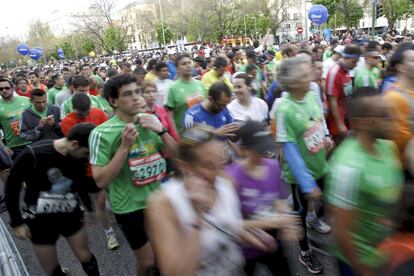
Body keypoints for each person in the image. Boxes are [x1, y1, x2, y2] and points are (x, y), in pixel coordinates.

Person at [146, 124, 287, 275]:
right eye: (209, 166)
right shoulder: (164, 202)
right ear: (185, 167)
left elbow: (226, 225)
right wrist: (198, 217)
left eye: (221, 161)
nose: (220, 173)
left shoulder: (225, 183)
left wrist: (252, 236)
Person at [89, 74, 177, 275]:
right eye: (128, 94)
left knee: (166, 257)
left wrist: (162, 131)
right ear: (113, 101)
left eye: (138, 92)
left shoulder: (152, 122)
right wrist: (124, 147)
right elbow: (100, 180)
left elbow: (179, 158)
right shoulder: (101, 133)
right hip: (129, 208)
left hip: (157, 202)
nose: (137, 98)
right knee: (147, 262)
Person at [326, 87, 403, 276]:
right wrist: (361, 268)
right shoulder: (348, 168)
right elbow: (341, 232)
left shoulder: (386, 145)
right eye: (385, 114)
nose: (393, 118)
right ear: (363, 122)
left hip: (386, 253)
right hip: (359, 263)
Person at [5, 123, 100, 276]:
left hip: (69, 213)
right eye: (86, 153)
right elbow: (12, 188)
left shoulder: (78, 157)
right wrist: (17, 223)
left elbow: (81, 183)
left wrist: (89, 208)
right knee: (51, 269)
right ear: (74, 144)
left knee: (85, 256)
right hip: (40, 220)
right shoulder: (33, 154)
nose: (87, 157)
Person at [275, 56, 333, 274]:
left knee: (326, 201)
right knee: (299, 213)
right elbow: (289, 149)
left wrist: (325, 137)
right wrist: (307, 183)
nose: (310, 73)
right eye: (304, 73)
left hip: (321, 166)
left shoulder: (310, 94)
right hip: (301, 177)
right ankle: (305, 251)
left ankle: (314, 218)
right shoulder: (284, 109)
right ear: (292, 81)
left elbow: (318, 120)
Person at [225, 120, 298, 275]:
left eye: (264, 149)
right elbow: (229, 223)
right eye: (257, 150)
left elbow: (278, 200)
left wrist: (287, 220)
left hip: (272, 242)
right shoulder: (231, 178)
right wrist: (271, 222)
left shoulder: (272, 166)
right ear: (243, 150)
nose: (263, 155)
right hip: (244, 248)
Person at [61, 93, 119, 251]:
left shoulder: (98, 113)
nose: (86, 115)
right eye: (82, 113)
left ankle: (119, 214)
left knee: (116, 194)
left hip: (109, 163)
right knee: (99, 201)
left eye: (88, 111)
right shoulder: (67, 122)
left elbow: (111, 134)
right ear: (73, 109)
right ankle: (109, 233)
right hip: (87, 169)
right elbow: (78, 148)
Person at [383, 43, 414, 178]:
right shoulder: (394, 98)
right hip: (402, 171)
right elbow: (395, 144)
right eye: (413, 60)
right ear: (400, 67)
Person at [325, 45, 361, 144]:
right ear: (345, 58)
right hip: (336, 119)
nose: (356, 65)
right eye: (354, 62)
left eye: (357, 62)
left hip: (346, 115)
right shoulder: (334, 72)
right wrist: (339, 124)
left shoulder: (346, 70)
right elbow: (332, 100)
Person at [166, 54, 206, 135]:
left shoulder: (200, 84)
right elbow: (170, 116)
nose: (188, 66)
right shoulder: (173, 88)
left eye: (189, 63)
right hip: (184, 134)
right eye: (184, 64)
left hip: (202, 133)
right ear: (177, 69)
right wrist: (175, 135)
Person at [0, 78, 31, 158]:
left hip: (32, 141)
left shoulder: (26, 100)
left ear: (12, 88)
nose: (4, 90)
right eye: (1, 89)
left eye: (7, 88)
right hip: (14, 146)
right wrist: (3, 147)